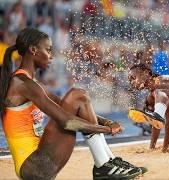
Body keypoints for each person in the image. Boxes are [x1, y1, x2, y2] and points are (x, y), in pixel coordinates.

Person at [0, 28, 145, 180]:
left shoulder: (33, 84)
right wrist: (107, 129)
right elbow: (67, 122)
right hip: (35, 167)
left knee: (78, 97)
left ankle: (107, 162)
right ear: (33, 50)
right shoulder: (23, 84)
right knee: (77, 95)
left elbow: (68, 108)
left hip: (37, 162)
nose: (51, 56)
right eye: (48, 50)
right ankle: (104, 166)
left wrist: (106, 121)